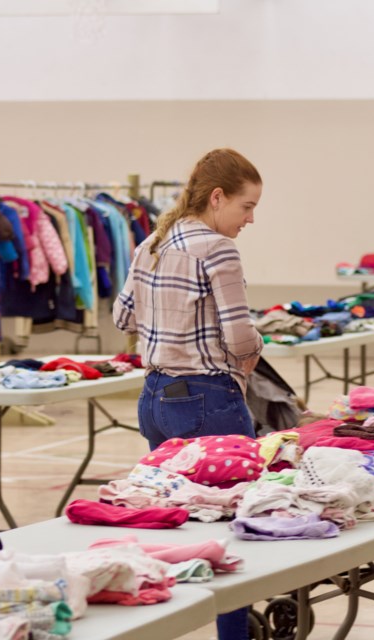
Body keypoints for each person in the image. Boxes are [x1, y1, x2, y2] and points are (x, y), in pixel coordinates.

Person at [112, 148, 264, 640]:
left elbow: (122, 319)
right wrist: (256, 347)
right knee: (231, 527)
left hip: (155, 400)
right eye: (246, 206)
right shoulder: (217, 249)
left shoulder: (151, 242)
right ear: (217, 198)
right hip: (207, 399)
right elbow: (240, 338)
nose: (250, 219)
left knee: (175, 521)